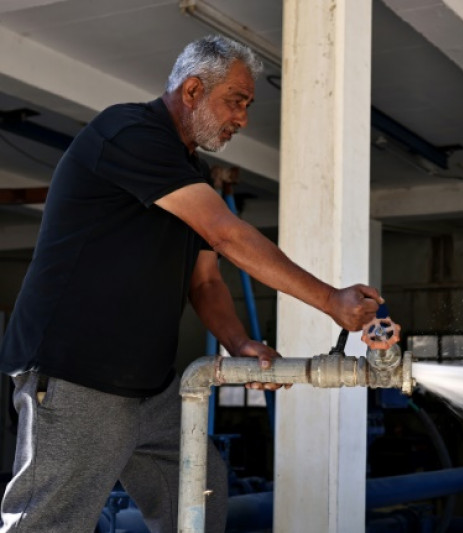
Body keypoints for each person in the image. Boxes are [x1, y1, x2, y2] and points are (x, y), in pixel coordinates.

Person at [0, 35, 382, 532]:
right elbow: (227, 235)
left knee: (199, 492)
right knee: (50, 522)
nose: (243, 118)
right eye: (237, 101)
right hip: (76, 377)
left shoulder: (189, 171)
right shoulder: (127, 132)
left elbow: (205, 281)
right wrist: (330, 300)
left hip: (150, 387)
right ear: (194, 90)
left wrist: (239, 342)